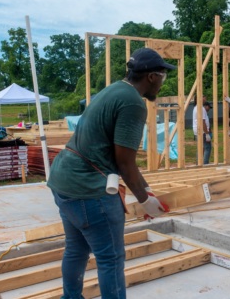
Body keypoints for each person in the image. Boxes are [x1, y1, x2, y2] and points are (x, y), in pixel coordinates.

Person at [47, 47, 174, 299]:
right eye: (163, 76)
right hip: (88, 188)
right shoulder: (133, 103)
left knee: (76, 249)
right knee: (111, 259)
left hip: (64, 180)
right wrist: (144, 200)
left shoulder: (115, 89)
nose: (162, 83)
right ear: (151, 76)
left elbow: (122, 162)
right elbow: (125, 163)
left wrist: (146, 191)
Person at [192, 96, 212, 165]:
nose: (205, 98)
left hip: (197, 130)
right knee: (207, 147)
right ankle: (205, 163)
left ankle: (198, 163)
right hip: (202, 131)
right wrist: (206, 133)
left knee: (201, 147)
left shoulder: (196, 107)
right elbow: (202, 122)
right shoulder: (201, 108)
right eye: (203, 96)